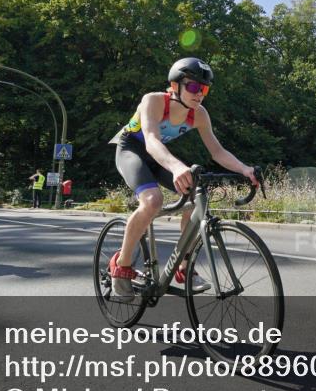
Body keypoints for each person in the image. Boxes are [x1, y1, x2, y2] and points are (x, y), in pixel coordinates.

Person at [108, 57, 258, 300]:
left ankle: (183, 265)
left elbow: (217, 152)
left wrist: (244, 169)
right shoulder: (153, 101)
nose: (199, 94)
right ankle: (121, 265)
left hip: (158, 156)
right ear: (175, 85)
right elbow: (151, 140)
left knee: (195, 192)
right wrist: (177, 167)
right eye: (193, 87)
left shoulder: (199, 114)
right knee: (152, 201)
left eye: (204, 89)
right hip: (132, 150)